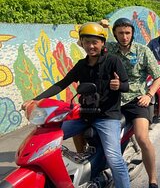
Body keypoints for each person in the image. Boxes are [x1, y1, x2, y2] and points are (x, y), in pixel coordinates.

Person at [22, 22, 131, 188]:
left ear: (102, 43)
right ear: (82, 43)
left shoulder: (113, 61)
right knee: (48, 139)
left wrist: (118, 85)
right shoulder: (81, 64)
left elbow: (126, 85)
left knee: (114, 159)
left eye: (95, 42)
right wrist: (35, 100)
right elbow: (62, 83)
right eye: (87, 42)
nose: (91, 46)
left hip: (107, 117)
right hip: (84, 114)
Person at [108, 17, 160, 188]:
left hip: (136, 100)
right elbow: (84, 42)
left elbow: (158, 75)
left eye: (127, 33)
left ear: (132, 34)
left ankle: (152, 180)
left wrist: (149, 94)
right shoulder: (109, 49)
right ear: (115, 35)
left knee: (142, 138)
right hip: (114, 100)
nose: (124, 36)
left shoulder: (142, 51)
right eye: (121, 33)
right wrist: (101, 27)